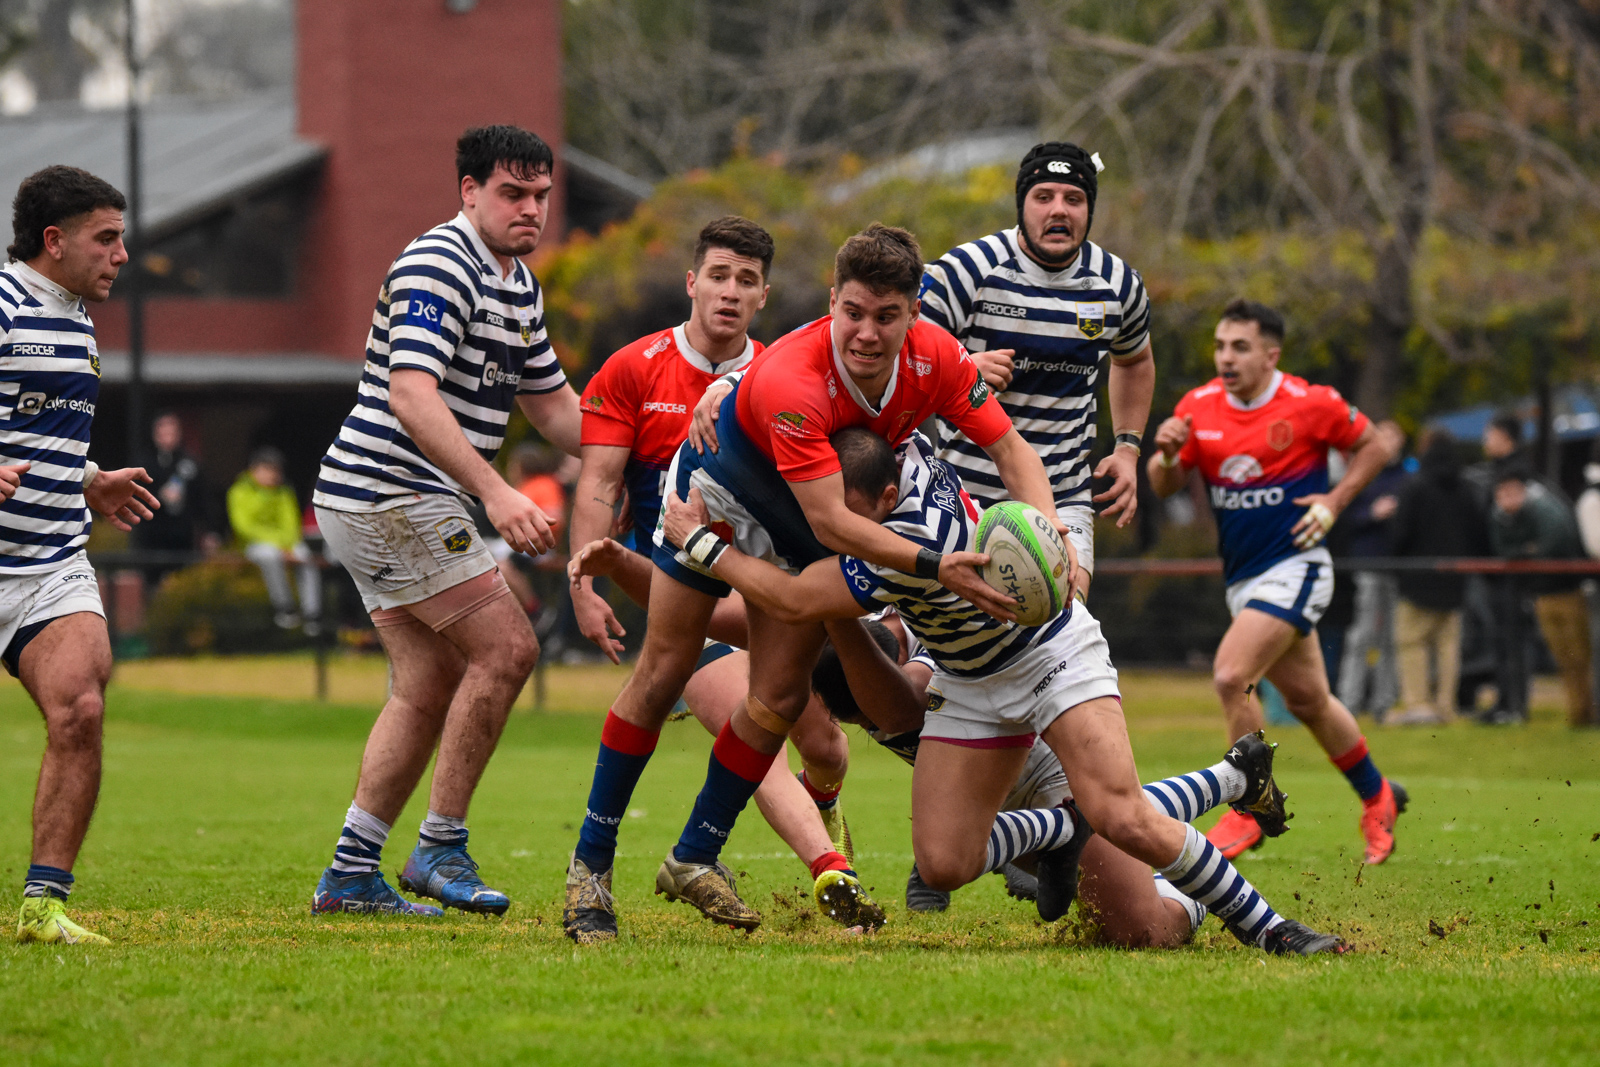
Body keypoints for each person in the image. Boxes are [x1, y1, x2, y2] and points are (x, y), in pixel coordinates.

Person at [661, 428, 1344, 955]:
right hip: (972, 679)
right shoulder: (905, 443)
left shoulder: (898, 544)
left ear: (886, 500)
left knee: (1134, 884)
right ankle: (1214, 781)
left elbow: (788, 595)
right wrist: (727, 389)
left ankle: (1272, 928)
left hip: (1048, 654)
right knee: (944, 861)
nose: (829, 520)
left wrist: (700, 545)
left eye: (843, 508)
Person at [563, 223, 1062, 943]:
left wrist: (1051, 537)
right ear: (832, 301)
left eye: (886, 316)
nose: (865, 332)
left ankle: (693, 853)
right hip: (718, 498)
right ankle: (590, 869)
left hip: (806, 515)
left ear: (914, 312)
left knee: (781, 695)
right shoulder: (795, 379)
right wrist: (931, 563)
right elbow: (832, 524)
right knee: (665, 667)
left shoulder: (939, 360)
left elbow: (1013, 450)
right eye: (852, 312)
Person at [308, 125, 582, 917]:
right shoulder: (440, 260)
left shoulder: (516, 282)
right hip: (389, 490)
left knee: (428, 681)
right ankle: (438, 845)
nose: (529, 209)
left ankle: (352, 872)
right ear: (469, 191)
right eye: (511, 193)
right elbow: (411, 395)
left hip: (381, 496)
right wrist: (498, 492)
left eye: (540, 195)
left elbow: (558, 410)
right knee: (507, 648)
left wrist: (649, 443)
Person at [810, 614, 1291, 949]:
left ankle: (1184, 883)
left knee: (1143, 932)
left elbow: (908, 702)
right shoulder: (857, 634)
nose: (867, 726)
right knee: (1094, 838)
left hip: (1050, 769)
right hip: (1004, 798)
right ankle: (1233, 779)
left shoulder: (937, 653)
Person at [1146, 299, 1408, 866]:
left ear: (1271, 354)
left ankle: (1249, 809)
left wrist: (1336, 501)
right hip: (1244, 581)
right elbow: (1164, 485)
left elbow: (1376, 445)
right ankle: (1378, 794)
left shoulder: (1311, 403)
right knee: (1311, 700)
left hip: (1299, 567)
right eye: (1220, 346)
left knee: (1231, 675)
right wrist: (1166, 455)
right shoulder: (1199, 406)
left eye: (1240, 347)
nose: (1226, 357)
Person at [5, 165, 162, 944]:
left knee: (82, 707)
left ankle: (43, 906)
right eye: (107, 238)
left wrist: (90, 476)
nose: (122, 254)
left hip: (47, 561)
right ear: (54, 240)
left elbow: (37, 428)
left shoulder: (77, 319)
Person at [569, 534, 875, 930]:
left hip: (765, 593)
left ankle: (816, 805)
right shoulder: (691, 479)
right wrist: (588, 581)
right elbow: (599, 481)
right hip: (696, 591)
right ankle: (833, 871)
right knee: (762, 746)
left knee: (827, 750)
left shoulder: (786, 489)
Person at [919, 142, 1153, 596]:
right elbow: (902, 353)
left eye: (1074, 199)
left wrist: (1127, 448)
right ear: (1021, 204)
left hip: (1062, 494)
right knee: (948, 645)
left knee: (1066, 617)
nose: (1058, 210)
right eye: (1043, 197)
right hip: (965, 495)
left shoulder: (1118, 285)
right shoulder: (967, 270)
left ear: (1090, 209)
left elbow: (1135, 359)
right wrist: (960, 369)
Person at [1386, 432, 1488, 724]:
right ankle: (1446, 706)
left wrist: (1395, 565)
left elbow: (1401, 533)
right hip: (1454, 581)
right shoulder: (1465, 487)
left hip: (1416, 580)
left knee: (1411, 643)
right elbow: (1476, 532)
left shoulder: (1415, 486)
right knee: (1448, 647)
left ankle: (1418, 705)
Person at [1488, 469, 1596, 728]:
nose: (1508, 499)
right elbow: (1504, 550)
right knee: (1564, 657)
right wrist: (1528, 549)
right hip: (1542, 593)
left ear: (1524, 491)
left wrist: (1526, 552)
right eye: (1502, 493)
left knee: (1579, 656)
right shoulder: (1501, 517)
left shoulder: (1545, 509)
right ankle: (1579, 714)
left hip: (1567, 590)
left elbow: (1552, 544)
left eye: (1513, 492)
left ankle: (1586, 712)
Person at [1334, 420, 1408, 720]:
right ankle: (1348, 700)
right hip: (1365, 564)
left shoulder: (1407, 478)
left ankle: (1383, 701)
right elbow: (1345, 516)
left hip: (1396, 566)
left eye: (1393, 438)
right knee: (1362, 635)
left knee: (1390, 637)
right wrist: (1372, 514)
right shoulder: (1362, 473)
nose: (1388, 444)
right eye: (1383, 437)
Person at [227, 446, 321, 630]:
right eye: (270, 470)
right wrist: (279, 547)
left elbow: (291, 524)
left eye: (277, 470)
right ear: (255, 470)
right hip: (253, 545)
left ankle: (312, 615)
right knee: (269, 556)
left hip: (286, 544)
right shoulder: (239, 491)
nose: (274, 475)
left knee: (306, 558)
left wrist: (287, 546)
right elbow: (243, 527)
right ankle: (285, 608)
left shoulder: (284, 491)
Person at [131, 411, 209, 582]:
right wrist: (159, 494)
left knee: (183, 582)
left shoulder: (190, 462)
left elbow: (201, 499)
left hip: (181, 536)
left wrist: (208, 530)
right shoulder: (144, 463)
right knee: (152, 582)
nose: (167, 437)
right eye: (163, 432)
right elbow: (136, 494)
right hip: (151, 535)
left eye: (171, 432)